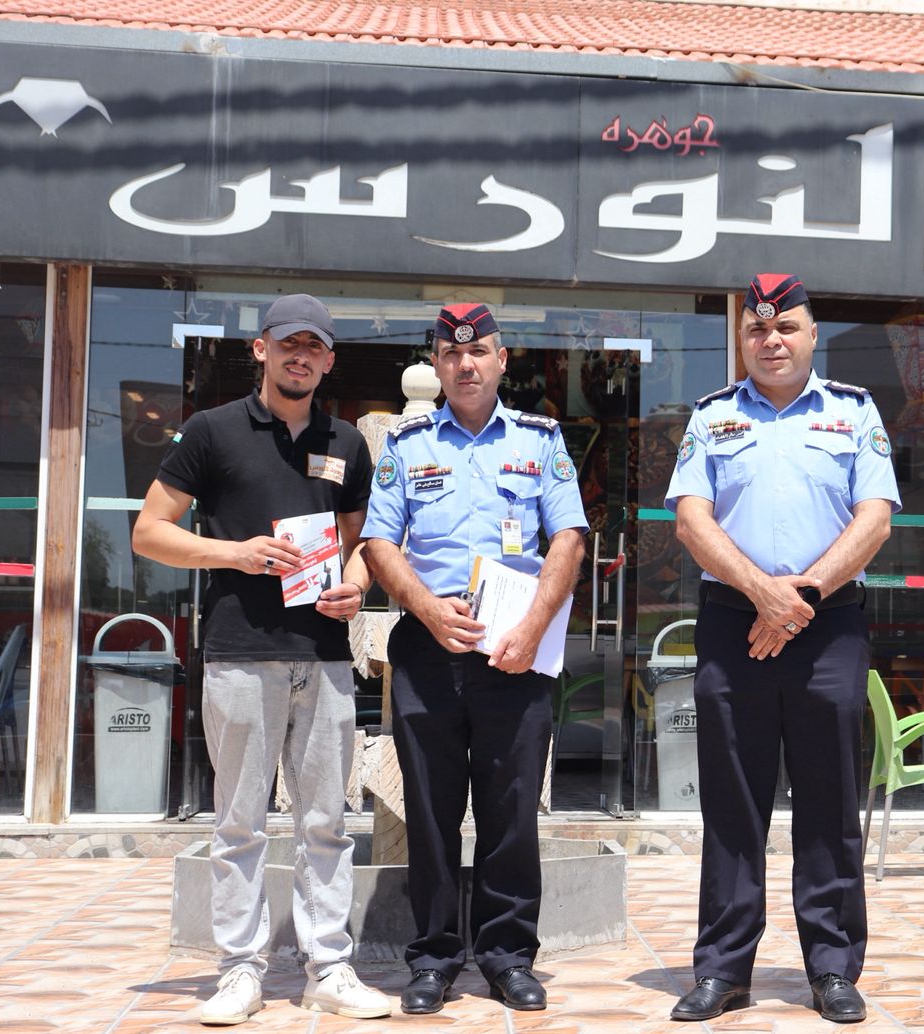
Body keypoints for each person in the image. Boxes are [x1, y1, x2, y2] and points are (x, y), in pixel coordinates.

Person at [132, 293, 390, 1026]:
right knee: (240, 823)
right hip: (240, 655)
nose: (300, 356)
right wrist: (236, 553)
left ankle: (329, 968)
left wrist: (357, 587)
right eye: (288, 343)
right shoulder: (211, 431)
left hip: (325, 656)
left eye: (314, 347)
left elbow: (362, 540)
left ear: (329, 360)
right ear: (262, 349)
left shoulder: (347, 443)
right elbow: (149, 532)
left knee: (327, 823)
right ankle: (239, 972)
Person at [663, 274, 900, 1024]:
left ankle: (832, 967)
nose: (771, 341)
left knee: (830, 801)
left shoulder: (853, 412)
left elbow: (875, 519)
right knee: (732, 803)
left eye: (786, 327)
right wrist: (763, 593)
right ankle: (723, 969)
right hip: (734, 625)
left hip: (827, 625)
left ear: (812, 335)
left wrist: (801, 597)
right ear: (742, 340)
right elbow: (692, 521)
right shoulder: (712, 417)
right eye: (757, 330)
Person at [359, 303, 586, 1016]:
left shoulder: (540, 441)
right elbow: (378, 542)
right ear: (436, 362)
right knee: (428, 811)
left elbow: (569, 538)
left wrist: (534, 625)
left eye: (478, 351)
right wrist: (426, 607)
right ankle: (432, 958)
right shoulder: (408, 444)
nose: (465, 364)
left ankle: (508, 955)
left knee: (510, 810)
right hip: (428, 646)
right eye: (451, 353)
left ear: (500, 359)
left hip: (514, 649)